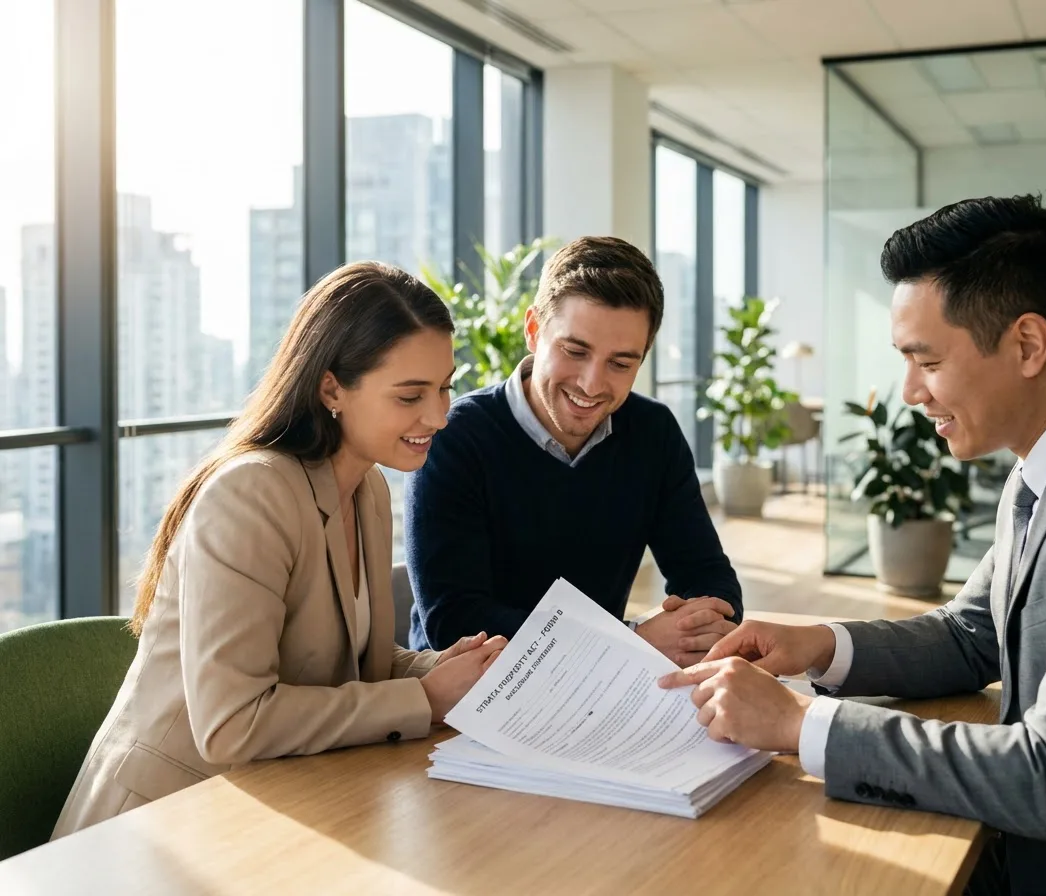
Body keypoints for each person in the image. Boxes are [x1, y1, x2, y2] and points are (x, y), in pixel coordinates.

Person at [660, 196, 1046, 895]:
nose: (910, 391)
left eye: (928, 361)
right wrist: (817, 645)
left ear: (1028, 345)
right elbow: (972, 633)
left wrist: (800, 721)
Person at [53, 262, 507, 838]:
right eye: (410, 395)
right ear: (330, 388)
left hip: (273, 804)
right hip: (161, 825)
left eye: (444, 387)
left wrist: (443, 669)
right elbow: (233, 723)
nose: (439, 415)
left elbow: (344, 662)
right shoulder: (251, 493)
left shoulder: (366, 489)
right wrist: (422, 698)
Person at [405, 236, 743, 667]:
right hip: (466, 696)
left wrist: (704, 622)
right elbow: (454, 622)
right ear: (533, 330)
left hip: (596, 686)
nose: (591, 384)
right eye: (575, 351)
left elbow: (709, 578)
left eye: (620, 364)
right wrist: (630, 640)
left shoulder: (652, 431)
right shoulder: (453, 437)